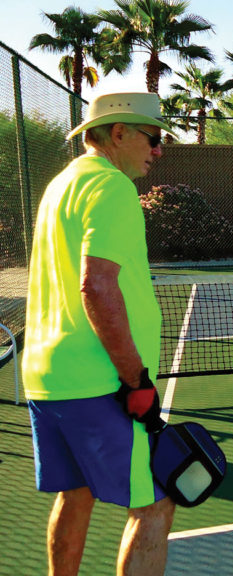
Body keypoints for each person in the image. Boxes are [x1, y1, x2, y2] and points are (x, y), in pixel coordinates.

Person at [22, 92, 177, 576]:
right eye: (154, 138)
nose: (158, 150)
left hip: (47, 378)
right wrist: (136, 382)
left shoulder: (60, 185)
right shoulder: (111, 189)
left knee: (77, 494)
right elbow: (96, 286)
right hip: (99, 383)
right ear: (118, 133)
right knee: (155, 504)